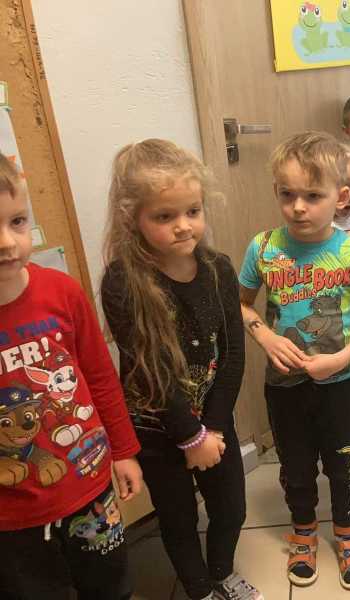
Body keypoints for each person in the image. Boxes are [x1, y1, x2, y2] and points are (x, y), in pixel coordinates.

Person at [101, 140, 261, 600]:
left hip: (212, 420)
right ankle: (199, 589)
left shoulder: (218, 269)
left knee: (231, 507)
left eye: (192, 211)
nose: (183, 226)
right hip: (156, 429)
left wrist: (213, 427)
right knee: (178, 519)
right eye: (164, 216)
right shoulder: (123, 282)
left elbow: (232, 354)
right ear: (133, 219)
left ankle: (222, 572)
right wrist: (190, 436)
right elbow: (150, 369)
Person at [238, 131, 350, 590]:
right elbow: (240, 305)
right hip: (283, 387)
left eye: (313, 196)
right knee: (295, 466)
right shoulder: (263, 248)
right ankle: (303, 530)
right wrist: (264, 335)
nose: (298, 207)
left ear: (341, 197)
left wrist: (340, 358)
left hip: (339, 384)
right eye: (288, 195)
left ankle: (347, 531)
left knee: (343, 464)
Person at [0, 152, 143, 600]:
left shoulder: (62, 291)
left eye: (17, 221)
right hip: (12, 515)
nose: (7, 242)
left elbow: (100, 377)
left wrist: (124, 451)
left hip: (88, 481)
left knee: (111, 585)